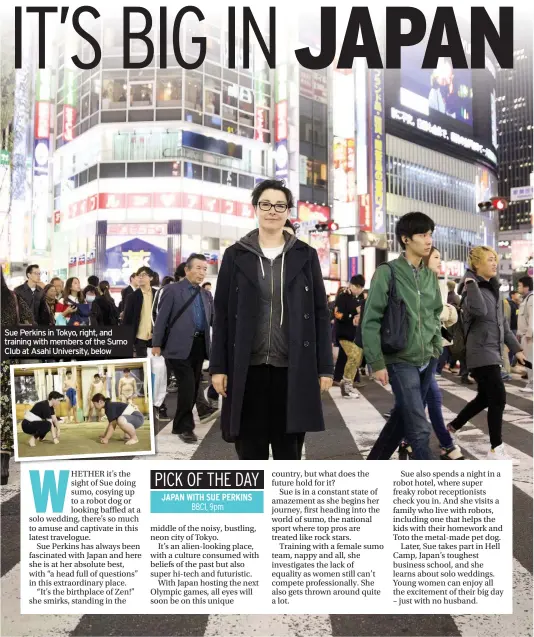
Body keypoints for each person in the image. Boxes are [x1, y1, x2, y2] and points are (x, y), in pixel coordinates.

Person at [209, 179, 334, 459]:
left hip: (292, 370)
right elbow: (224, 316)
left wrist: (325, 367)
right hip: (246, 369)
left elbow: (319, 314)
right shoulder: (235, 255)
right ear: (255, 208)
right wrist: (218, 367)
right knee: (250, 453)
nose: (272, 211)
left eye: (280, 205)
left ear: (288, 211)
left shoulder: (306, 255)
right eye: (265, 204)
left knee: (288, 453)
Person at [363, 212, 443, 460]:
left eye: (430, 234)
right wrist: (376, 362)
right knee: (419, 428)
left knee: (401, 417)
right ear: (406, 239)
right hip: (399, 358)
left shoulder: (429, 275)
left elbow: (435, 313)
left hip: (426, 359)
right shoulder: (388, 272)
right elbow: (371, 320)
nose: (428, 240)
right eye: (422, 235)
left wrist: (435, 348)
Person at [447, 247, 525, 460]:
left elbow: (503, 325)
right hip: (480, 351)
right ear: (476, 264)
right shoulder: (471, 288)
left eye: (495, 260)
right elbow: (480, 311)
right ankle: (495, 448)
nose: (494, 263)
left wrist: (517, 350)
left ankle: (452, 427)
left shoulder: (493, 289)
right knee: (498, 398)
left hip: (492, 351)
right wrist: (470, 281)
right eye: (489, 260)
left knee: (484, 397)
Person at [152, 254, 215, 443]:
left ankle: (180, 425)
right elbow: (162, 318)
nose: (202, 272)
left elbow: (213, 320)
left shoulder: (205, 294)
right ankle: (185, 427)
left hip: (198, 346)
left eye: (204, 269)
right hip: (176, 346)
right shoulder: (172, 290)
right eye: (198, 268)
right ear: (187, 270)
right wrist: (156, 343)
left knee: (194, 386)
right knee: (188, 387)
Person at [422, 247, 463, 459]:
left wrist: (448, 311)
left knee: (422, 399)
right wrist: (450, 311)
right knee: (428, 398)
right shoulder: (425, 281)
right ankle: (446, 444)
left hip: (432, 347)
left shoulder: (433, 281)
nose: (441, 261)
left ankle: (407, 440)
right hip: (423, 349)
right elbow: (435, 311)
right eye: (437, 257)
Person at [1, 269, 33, 485]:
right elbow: (30, 327)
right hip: (7, 362)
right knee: (4, 412)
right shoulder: (14, 298)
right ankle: (3, 463)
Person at [334, 275, 365, 398]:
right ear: (351, 285)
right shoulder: (343, 297)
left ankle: (346, 383)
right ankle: (346, 385)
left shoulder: (358, 298)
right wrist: (352, 315)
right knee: (354, 355)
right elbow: (337, 314)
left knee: (355, 357)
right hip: (343, 334)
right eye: (357, 287)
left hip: (354, 334)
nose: (359, 290)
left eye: (361, 287)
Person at [122, 266, 157, 357]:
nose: (140, 277)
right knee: (143, 367)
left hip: (155, 337)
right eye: (138, 275)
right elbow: (127, 319)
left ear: (151, 278)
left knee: (157, 367)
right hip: (139, 337)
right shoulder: (132, 296)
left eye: (143, 275)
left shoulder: (157, 294)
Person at [517, 276, 533, 393]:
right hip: (524, 336)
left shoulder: (531, 299)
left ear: (526, 287)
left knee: (531, 360)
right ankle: (530, 382)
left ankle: (532, 384)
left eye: (520, 285)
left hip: (529, 337)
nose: (518, 288)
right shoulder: (526, 299)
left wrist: (529, 333)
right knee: (528, 361)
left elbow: (532, 317)